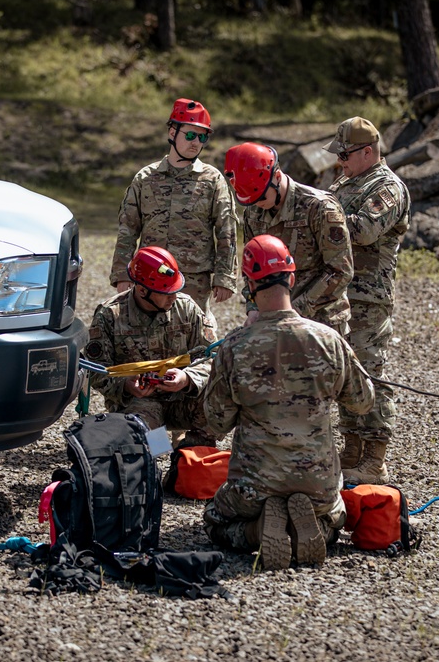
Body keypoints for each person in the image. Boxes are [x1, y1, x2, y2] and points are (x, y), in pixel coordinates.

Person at [202, 235, 374, 570]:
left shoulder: (236, 346)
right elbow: (363, 402)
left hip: (253, 486)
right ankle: (310, 531)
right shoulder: (328, 339)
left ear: (248, 287)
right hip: (318, 484)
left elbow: (216, 421)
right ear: (291, 279)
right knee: (334, 522)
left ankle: (256, 531)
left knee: (214, 522)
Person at [324, 117, 411, 486]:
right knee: (344, 372)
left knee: (370, 373)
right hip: (341, 292)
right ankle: (353, 447)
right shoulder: (347, 181)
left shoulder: (387, 186)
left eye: (345, 154)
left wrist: (325, 215)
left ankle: (375, 458)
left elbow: (363, 229)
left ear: (367, 152)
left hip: (369, 297)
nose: (340, 161)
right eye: (338, 155)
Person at [109, 98, 238, 322]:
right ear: (172, 133)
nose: (196, 142)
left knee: (194, 338)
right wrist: (122, 273)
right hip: (149, 277)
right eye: (190, 135)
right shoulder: (145, 178)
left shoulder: (212, 180)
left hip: (194, 281)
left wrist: (224, 277)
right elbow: (128, 229)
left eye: (202, 136)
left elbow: (226, 230)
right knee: (146, 336)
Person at [86, 246, 220, 448]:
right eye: (166, 293)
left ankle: (188, 460)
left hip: (182, 397)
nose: (173, 298)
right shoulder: (110, 315)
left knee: (218, 404)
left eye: (175, 290)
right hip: (139, 403)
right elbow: (95, 370)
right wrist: (126, 385)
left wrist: (187, 378)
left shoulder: (186, 307)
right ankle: (153, 461)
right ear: (142, 290)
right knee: (147, 444)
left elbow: (212, 357)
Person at [223, 142, 353, 334]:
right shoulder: (253, 213)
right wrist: (253, 308)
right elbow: (252, 270)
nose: (257, 205)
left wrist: (293, 311)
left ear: (276, 177)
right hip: (275, 323)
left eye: (260, 197)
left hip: (322, 323)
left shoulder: (319, 208)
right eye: (251, 200)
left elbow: (340, 271)